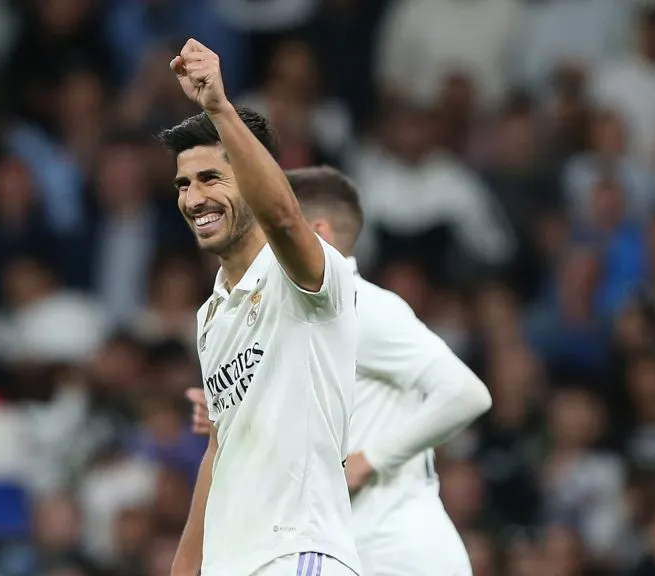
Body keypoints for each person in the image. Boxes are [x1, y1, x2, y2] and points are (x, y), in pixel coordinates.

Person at [187, 166, 493, 576]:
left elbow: (466, 393)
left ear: (320, 233)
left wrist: (370, 458)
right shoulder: (291, 314)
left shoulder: (360, 303)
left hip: (399, 549)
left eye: (278, 229)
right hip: (349, 550)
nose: (263, 244)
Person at [159, 40, 363, 576]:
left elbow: (282, 216)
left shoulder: (306, 275)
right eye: (183, 184)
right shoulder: (210, 317)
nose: (192, 198)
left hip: (297, 553)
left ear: (249, 178)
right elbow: (218, 454)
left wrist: (219, 109)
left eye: (210, 178)